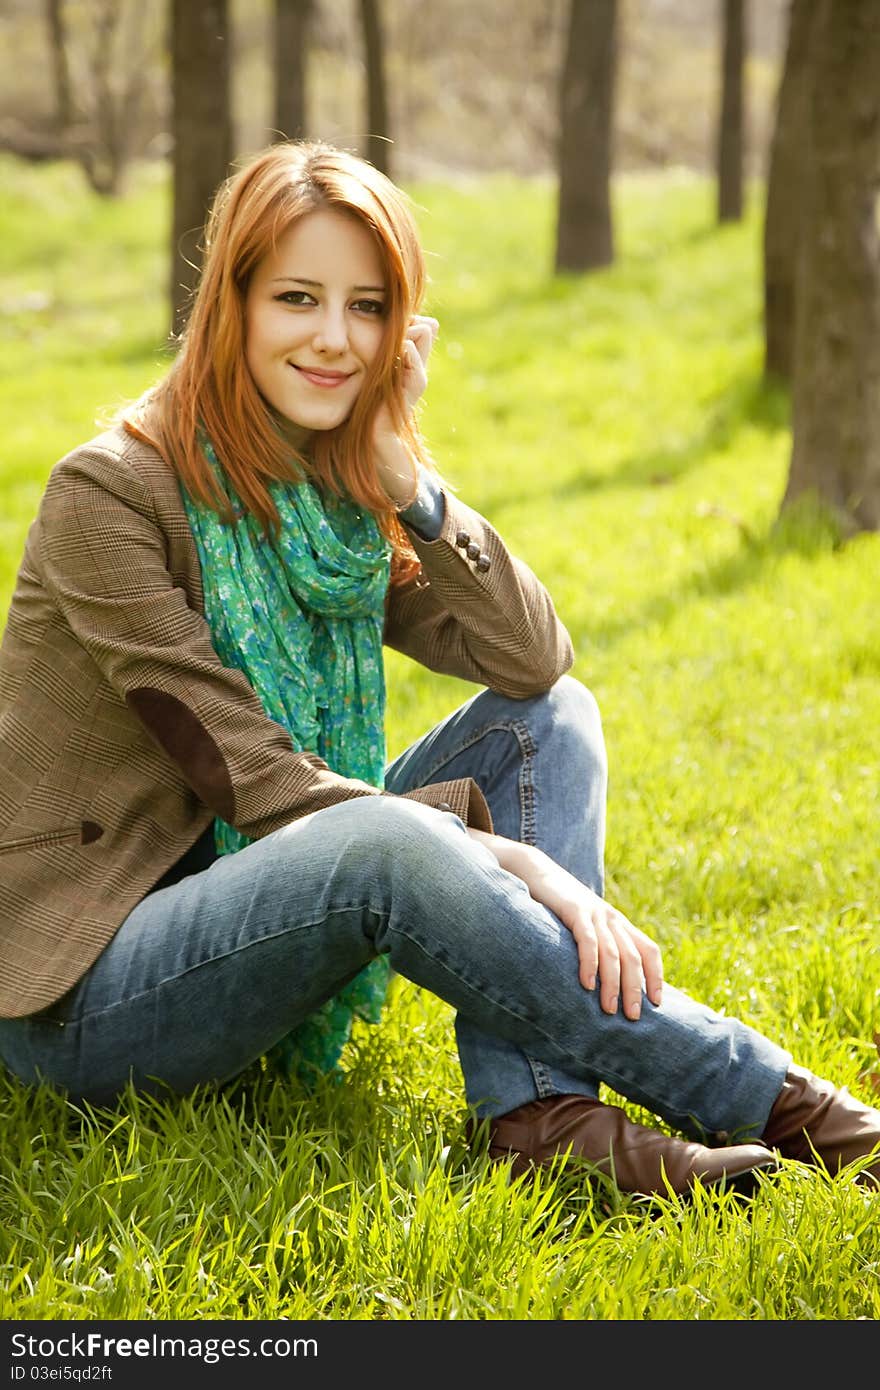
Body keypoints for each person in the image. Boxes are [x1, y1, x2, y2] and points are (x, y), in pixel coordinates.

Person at [0, 140, 877, 1201]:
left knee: (546, 721)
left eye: (367, 308)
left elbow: (530, 657)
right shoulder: (109, 496)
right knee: (376, 841)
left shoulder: (335, 487)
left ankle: (541, 1112)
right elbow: (253, 778)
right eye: (297, 298)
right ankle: (775, 1099)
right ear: (230, 305)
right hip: (83, 993)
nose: (334, 339)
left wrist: (412, 486)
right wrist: (511, 861)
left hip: (245, 905)